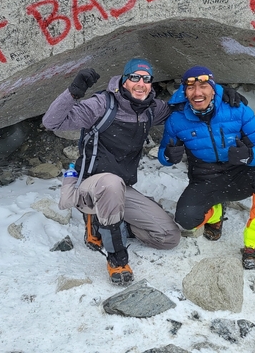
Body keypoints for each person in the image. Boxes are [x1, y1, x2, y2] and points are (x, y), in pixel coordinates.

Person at [43, 59, 244, 285]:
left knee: (168, 238)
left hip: (120, 189)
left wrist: (219, 91)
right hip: (89, 186)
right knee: (109, 183)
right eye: (134, 77)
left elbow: (184, 105)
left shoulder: (151, 109)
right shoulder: (102, 105)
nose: (141, 83)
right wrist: (74, 92)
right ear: (124, 81)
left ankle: (110, 223)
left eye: (146, 79)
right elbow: (52, 122)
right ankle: (116, 259)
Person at [158, 65, 255, 269]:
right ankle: (215, 214)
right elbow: (164, 154)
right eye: (191, 88)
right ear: (184, 92)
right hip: (205, 179)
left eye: (204, 86)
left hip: (239, 174)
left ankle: (254, 243)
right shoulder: (176, 119)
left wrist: (249, 155)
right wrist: (168, 156)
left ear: (213, 88)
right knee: (186, 219)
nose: (197, 93)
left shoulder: (237, 108)